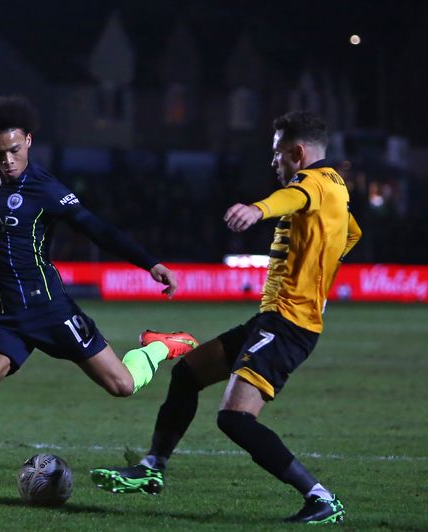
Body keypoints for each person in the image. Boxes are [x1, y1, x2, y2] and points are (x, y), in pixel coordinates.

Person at [0, 95, 198, 503]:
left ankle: (158, 347)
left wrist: (149, 263)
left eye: (15, 149)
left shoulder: (46, 189)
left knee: (121, 385)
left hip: (49, 309)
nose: (8, 160)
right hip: (1, 316)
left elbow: (96, 229)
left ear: (29, 140)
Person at [90, 111, 362, 525]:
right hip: (273, 320)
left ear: (297, 152)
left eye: (277, 153)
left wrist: (257, 209)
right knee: (187, 374)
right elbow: (352, 232)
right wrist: (321, 269)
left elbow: (292, 198)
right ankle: (151, 468)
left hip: (288, 325)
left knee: (235, 418)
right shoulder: (337, 187)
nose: (273, 161)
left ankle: (321, 498)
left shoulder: (314, 182)